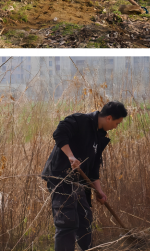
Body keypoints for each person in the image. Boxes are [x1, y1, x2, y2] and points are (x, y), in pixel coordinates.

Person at [41, 101, 128, 251]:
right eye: (117, 123)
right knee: (67, 221)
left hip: (79, 182)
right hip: (61, 178)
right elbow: (59, 133)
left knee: (85, 219)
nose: (116, 127)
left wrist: (99, 191)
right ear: (109, 118)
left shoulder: (99, 136)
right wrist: (70, 156)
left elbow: (93, 169)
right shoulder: (80, 120)